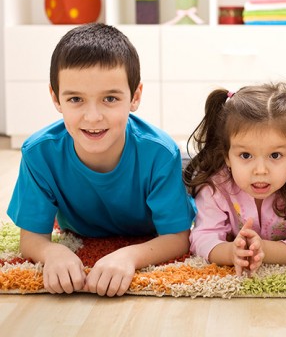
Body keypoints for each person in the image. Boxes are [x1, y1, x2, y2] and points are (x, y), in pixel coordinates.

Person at [6, 23, 196, 297]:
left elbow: (179, 238)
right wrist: (52, 252)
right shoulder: (39, 154)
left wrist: (130, 256)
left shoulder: (161, 154)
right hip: (86, 223)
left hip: (164, 187)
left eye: (109, 98)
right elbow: (32, 237)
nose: (93, 117)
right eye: (75, 99)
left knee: (202, 176)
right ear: (55, 98)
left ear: (135, 96)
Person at [184, 82, 286, 275]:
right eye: (245, 156)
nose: (260, 170)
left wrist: (263, 250)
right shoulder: (215, 186)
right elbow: (202, 237)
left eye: (275, 155)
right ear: (227, 156)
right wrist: (231, 252)